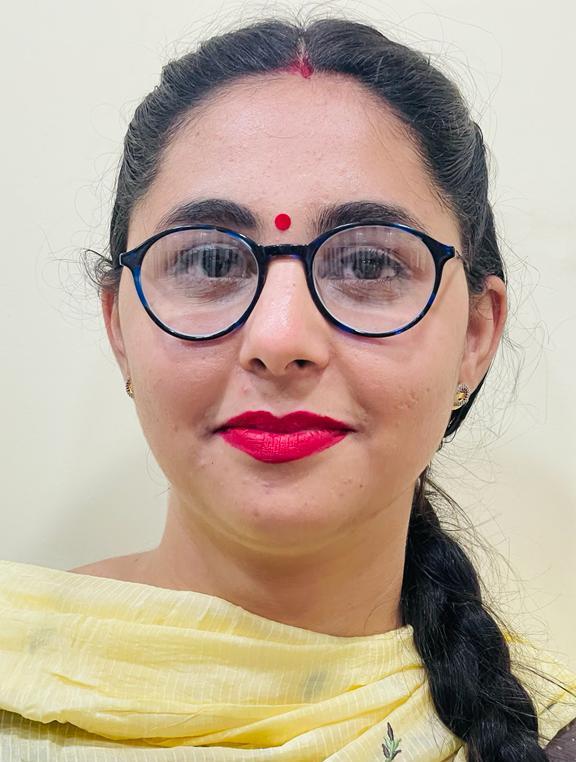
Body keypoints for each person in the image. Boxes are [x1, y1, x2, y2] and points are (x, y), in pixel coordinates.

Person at [0, 15, 574, 762]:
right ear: (119, 328)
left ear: (474, 335)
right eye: (210, 262)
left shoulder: (542, 737)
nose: (279, 339)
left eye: (368, 264)